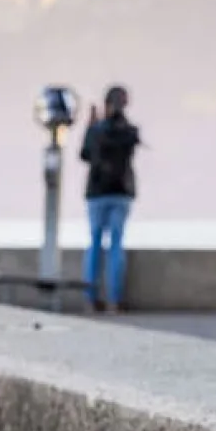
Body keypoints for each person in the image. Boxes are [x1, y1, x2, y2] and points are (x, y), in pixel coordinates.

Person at [80, 84, 141, 313]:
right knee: (116, 244)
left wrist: (91, 126)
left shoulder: (97, 131)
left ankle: (91, 297)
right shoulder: (130, 131)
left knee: (95, 242)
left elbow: (85, 155)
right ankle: (115, 299)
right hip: (121, 192)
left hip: (97, 192)